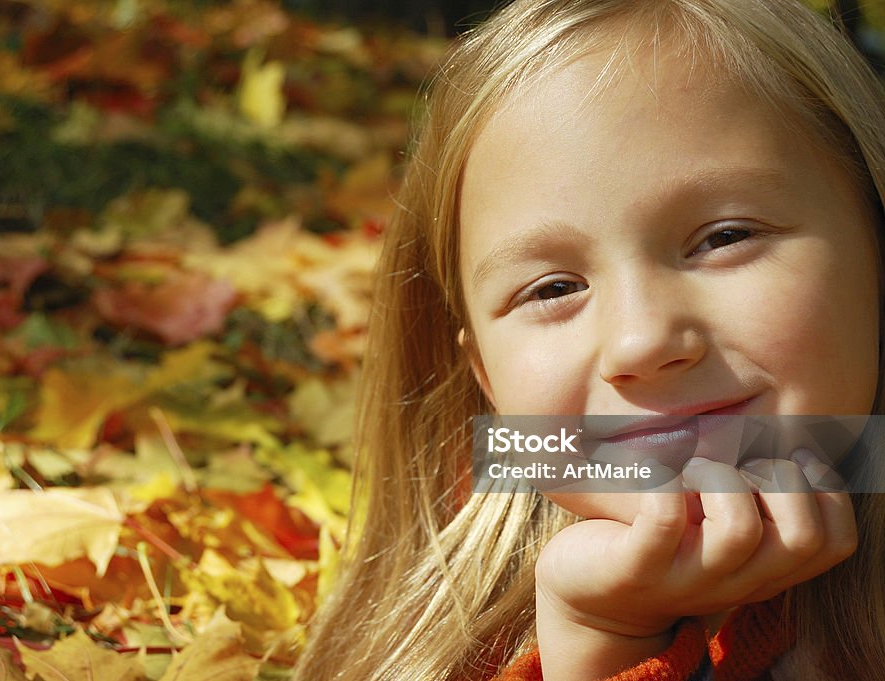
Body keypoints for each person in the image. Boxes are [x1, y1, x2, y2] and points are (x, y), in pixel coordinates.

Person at [293, 0, 885, 679]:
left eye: (725, 237)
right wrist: (601, 640)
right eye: (552, 289)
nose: (640, 341)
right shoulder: (458, 638)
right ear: (488, 377)